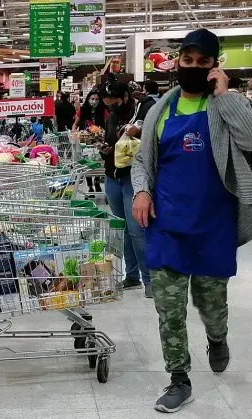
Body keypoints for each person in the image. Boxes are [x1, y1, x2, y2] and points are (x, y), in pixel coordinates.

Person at [130, 28, 252, 414]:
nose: (192, 67)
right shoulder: (160, 108)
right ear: (177, 63)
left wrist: (225, 96)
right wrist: (141, 190)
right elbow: (143, 159)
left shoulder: (225, 106)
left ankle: (217, 337)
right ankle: (179, 379)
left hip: (213, 225)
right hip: (167, 223)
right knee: (169, 310)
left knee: (211, 303)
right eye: (186, 61)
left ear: (213, 66)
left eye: (201, 62)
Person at [99, 79, 150, 297]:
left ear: (125, 97)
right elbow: (113, 141)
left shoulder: (144, 109)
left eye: (114, 103)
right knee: (123, 230)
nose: (111, 107)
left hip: (133, 178)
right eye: (107, 103)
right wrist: (105, 148)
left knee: (138, 230)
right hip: (112, 177)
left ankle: (150, 280)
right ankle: (131, 276)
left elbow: (151, 139)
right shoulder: (112, 115)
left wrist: (136, 132)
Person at [76, 90, 106, 194]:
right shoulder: (83, 110)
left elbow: (108, 123)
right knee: (88, 165)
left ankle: (97, 182)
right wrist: (74, 134)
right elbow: (75, 124)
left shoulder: (103, 111)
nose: (94, 101)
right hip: (85, 142)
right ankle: (89, 185)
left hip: (99, 142)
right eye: (92, 99)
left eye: (97, 99)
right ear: (88, 99)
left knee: (98, 163)